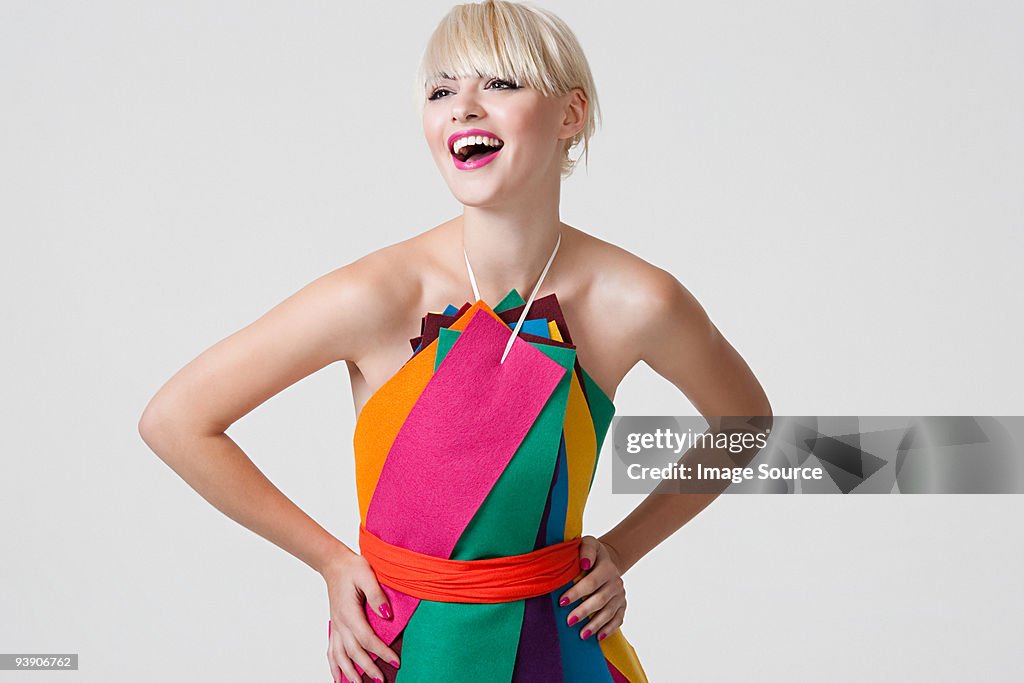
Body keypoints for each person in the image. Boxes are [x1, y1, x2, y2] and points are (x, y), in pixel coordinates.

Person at [138, 1, 772, 681]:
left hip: (565, 653)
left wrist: (622, 548)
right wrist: (329, 558)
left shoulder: (640, 300)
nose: (463, 107)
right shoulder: (377, 295)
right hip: (407, 653)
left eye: (499, 83)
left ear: (571, 115)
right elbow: (175, 420)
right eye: (442, 91)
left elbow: (747, 424)